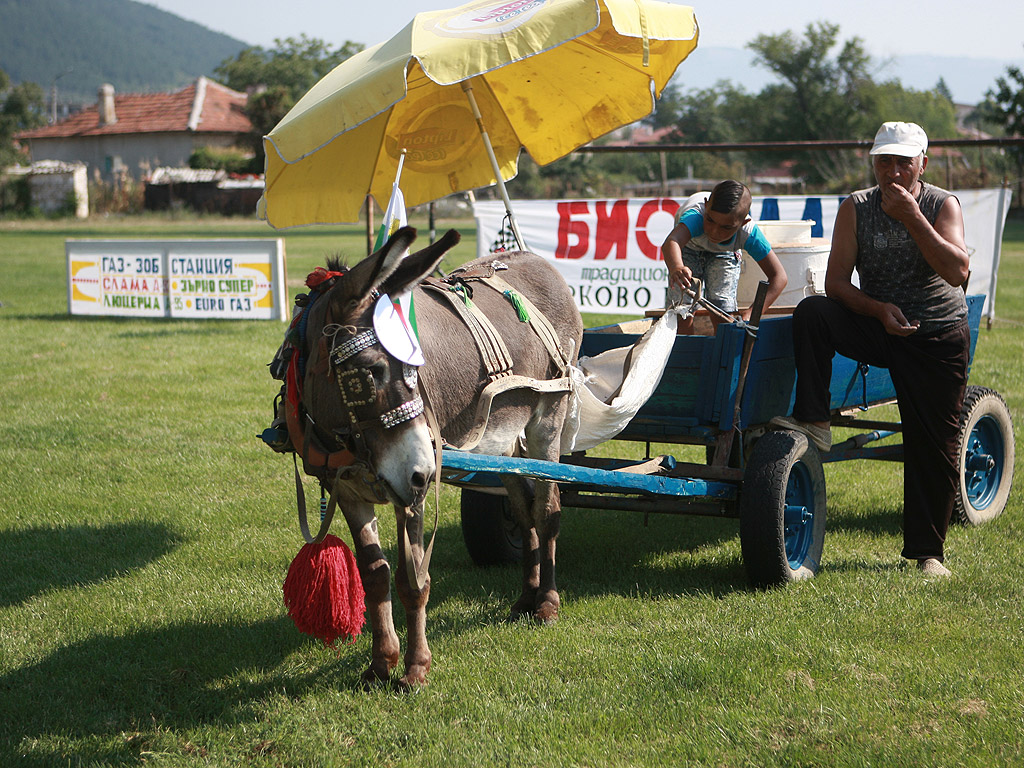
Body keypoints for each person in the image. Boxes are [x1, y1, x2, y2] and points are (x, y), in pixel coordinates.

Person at [771, 121, 971, 578]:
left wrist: (912, 217)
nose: (894, 172)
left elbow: (958, 271)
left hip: (936, 333)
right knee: (813, 311)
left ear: (924, 162)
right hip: (882, 323)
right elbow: (836, 283)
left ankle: (928, 554)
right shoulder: (856, 207)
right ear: (873, 162)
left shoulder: (942, 204)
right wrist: (879, 309)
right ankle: (816, 420)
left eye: (905, 162)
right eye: (885, 161)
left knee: (932, 444)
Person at [661, 179, 787, 334]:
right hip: (688, 248)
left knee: (722, 308)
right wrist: (676, 267)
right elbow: (672, 241)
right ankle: (685, 353)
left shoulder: (748, 233)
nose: (714, 232)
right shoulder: (696, 216)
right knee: (681, 309)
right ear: (706, 206)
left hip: (724, 253)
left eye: (726, 227)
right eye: (710, 220)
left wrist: (752, 313)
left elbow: (779, 276)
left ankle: (723, 354)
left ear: (743, 222)